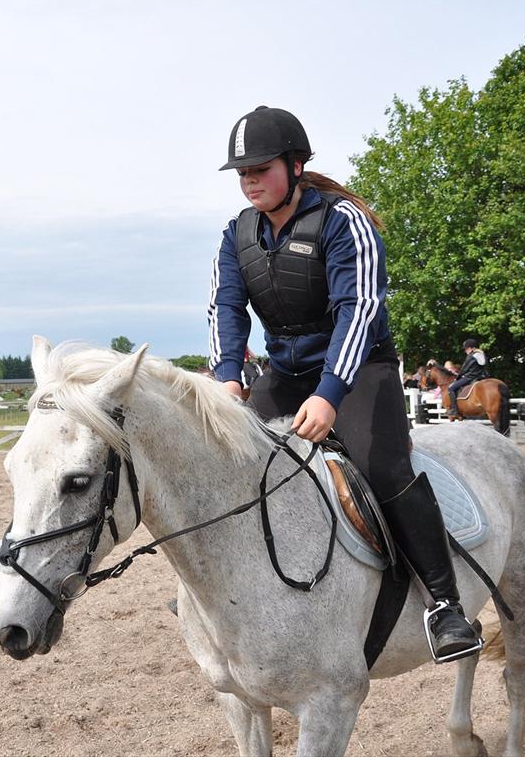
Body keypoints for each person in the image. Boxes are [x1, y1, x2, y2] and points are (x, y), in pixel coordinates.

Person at [206, 106, 481, 661]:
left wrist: (330, 394)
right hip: (283, 371)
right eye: (242, 172)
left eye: (260, 166)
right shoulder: (236, 234)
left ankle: (445, 605)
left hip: (359, 368)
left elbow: (357, 311)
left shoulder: (343, 220)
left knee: (383, 467)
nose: (250, 179)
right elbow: (225, 308)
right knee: (229, 458)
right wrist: (226, 378)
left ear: (296, 163)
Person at [447, 339, 490, 417]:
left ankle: (454, 410)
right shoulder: (482, 354)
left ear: (470, 348)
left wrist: (458, 377)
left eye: (466, 349)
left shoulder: (471, 356)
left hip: (470, 377)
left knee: (451, 388)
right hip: (482, 377)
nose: (465, 351)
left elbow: (464, 369)